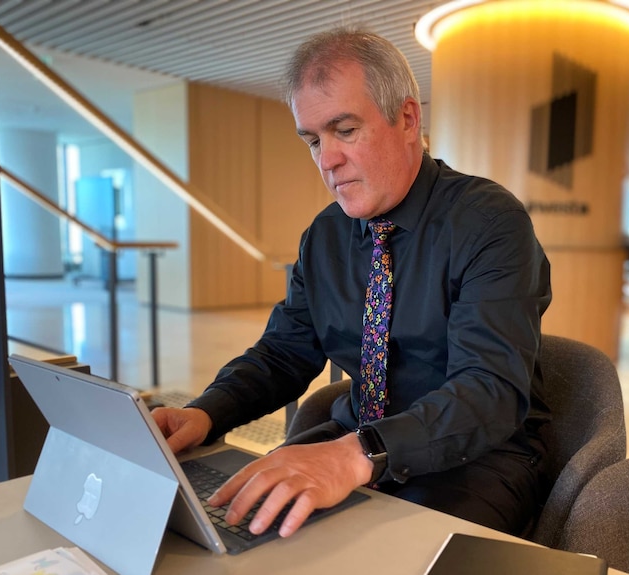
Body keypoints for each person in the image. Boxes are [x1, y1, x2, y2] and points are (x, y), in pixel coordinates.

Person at [152, 26, 552, 541]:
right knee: (233, 527)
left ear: (407, 119)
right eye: (313, 139)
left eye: (344, 130)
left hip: (476, 455)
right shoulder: (324, 235)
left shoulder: (489, 222)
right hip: (355, 440)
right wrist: (206, 412)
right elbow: (284, 352)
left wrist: (361, 454)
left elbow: (489, 390)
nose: (327, 159)